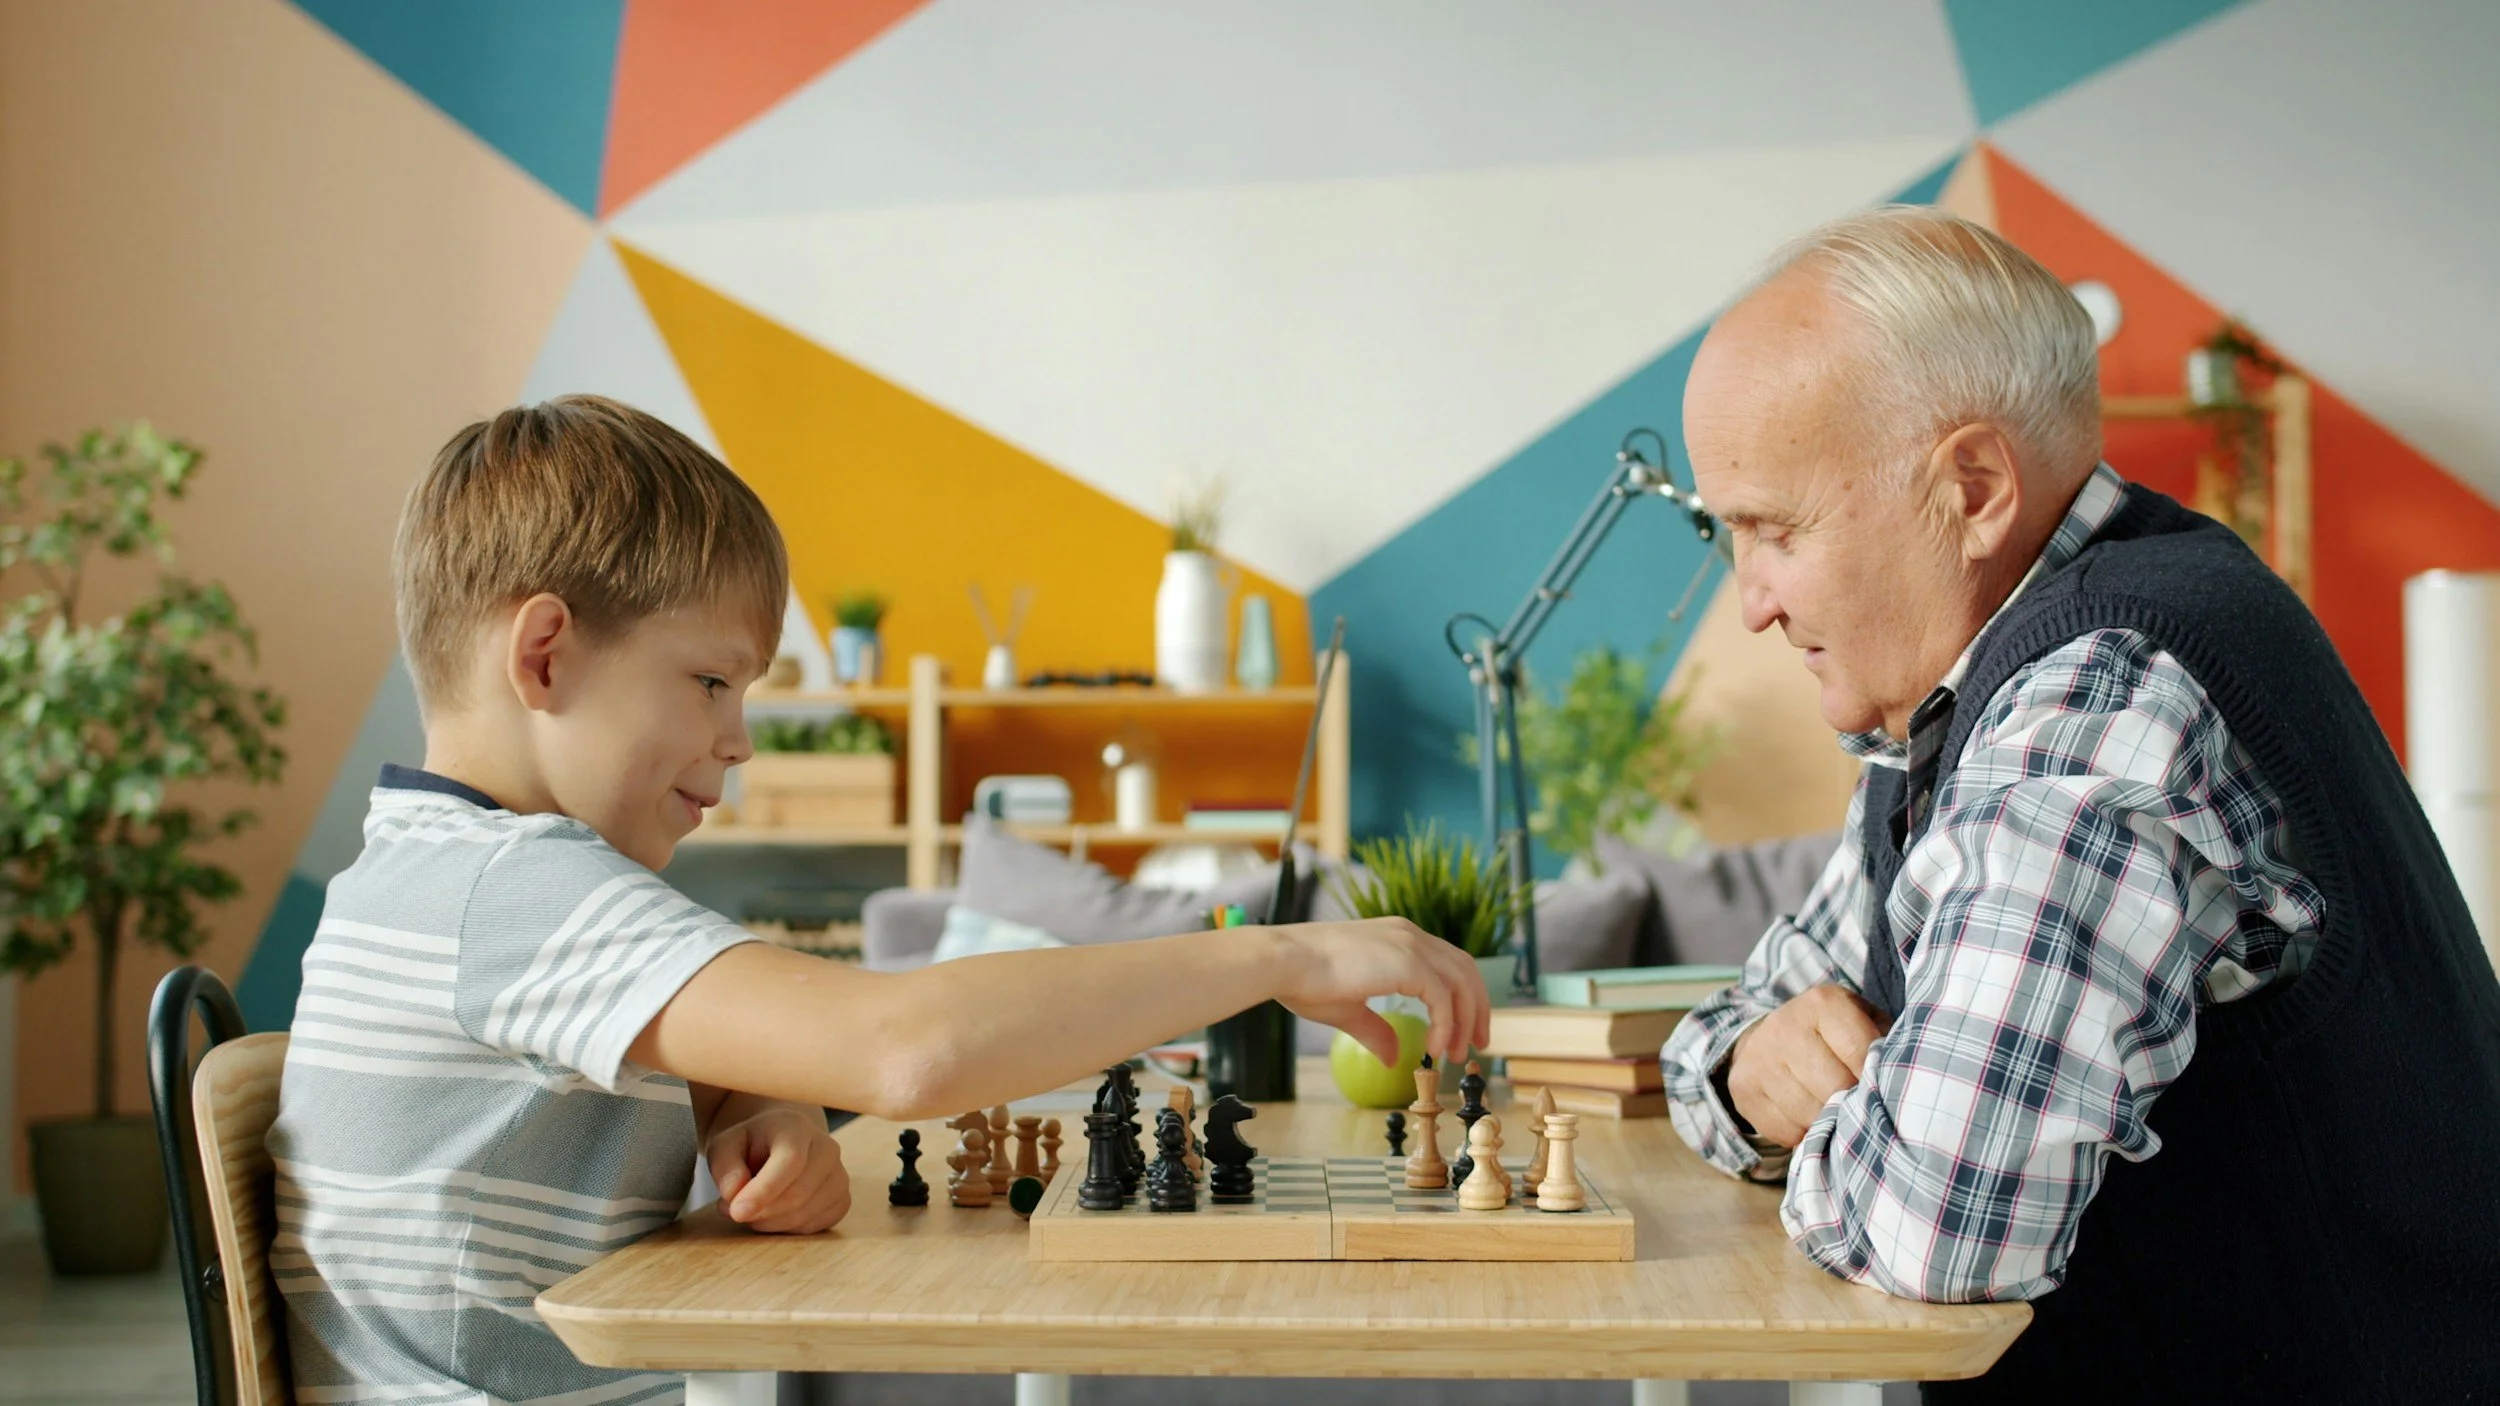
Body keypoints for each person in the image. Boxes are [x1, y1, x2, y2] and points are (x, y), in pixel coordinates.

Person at [264, 395, 1489, 1404]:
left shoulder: (443, 876)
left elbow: (727, 1059)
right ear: (544, 655)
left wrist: (765, 1102)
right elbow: (908, 1049)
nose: (737, 739)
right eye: (708, 680)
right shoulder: (511, 885)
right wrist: (1270, 955)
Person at [1659, 208, 2500, 1400]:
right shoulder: (1952, 705)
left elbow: (1939, 1229)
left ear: (1973, 486)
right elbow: (1745, 1015)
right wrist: (1752, 1071)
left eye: (1773, 529)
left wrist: (1833, 1102)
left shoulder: (2095, 706)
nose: (1748, 602)